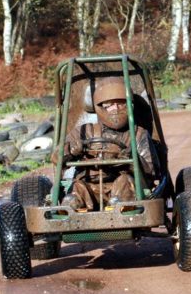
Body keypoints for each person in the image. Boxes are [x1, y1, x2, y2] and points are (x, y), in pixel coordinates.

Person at [60, 78, 157, 210]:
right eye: (109, 105)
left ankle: (119, 208)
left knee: (125, 181)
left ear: (129, 105)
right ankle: (69, 213)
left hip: (122, 187)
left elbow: (150, 171)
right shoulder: (84, 131)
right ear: (99, 106)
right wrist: (70, 151)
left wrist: (132, 161)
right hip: (89, 187)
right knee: (76, 189)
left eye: (120, 104)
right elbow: (56, 157)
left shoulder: (138, 133)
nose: (115, 109)